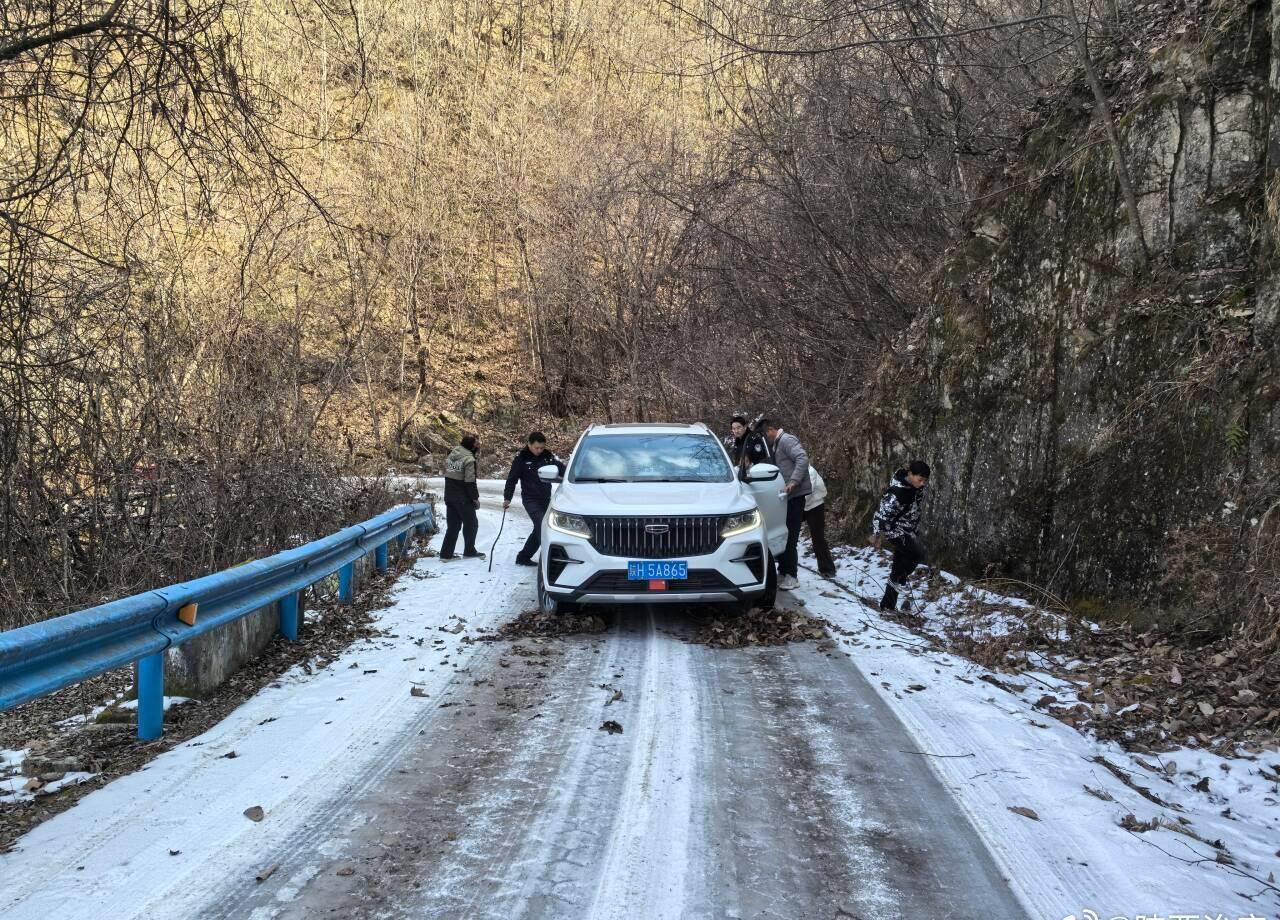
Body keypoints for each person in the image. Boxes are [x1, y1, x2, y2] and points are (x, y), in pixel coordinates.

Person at [870, 460, 931, 610]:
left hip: (907, 529)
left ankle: (887, 606)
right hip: (894, 530)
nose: (923, 484)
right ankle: (898, 580)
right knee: (916, 554)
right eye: (920, 480)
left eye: (925, 481)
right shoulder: (897, 493)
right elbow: (881, 513)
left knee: (899, 564)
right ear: (910, 474)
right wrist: (876, 535)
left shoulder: (914, 486)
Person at [761, 419, 811, 591]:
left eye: (764, 435)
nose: (765, 439)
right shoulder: (777, 444)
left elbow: (802, 458)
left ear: (770, 430)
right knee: (783, 534)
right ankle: (783, 571)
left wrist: (793, 482)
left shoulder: (787, 440)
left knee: (790, 536)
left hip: (795, 496)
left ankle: (792, 575)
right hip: (785, 498)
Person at [503, 431, 565, 566]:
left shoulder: (547, 457)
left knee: (541, 527)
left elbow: (562, 470)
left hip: (546, 498)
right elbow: (512, 479)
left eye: (542, 448)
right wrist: (507, 498)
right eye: (536, 448)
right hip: (530, 499)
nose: (539, 450)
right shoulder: (521, 459)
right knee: (542, 525)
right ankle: (551, 560)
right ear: (529, 444)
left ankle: (523, 557)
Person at [440, 434, 484, 560]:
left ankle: (446, 554)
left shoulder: (453, 454)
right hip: (463, 498)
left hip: (449, 495)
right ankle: (469, 550)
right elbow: (470, 481)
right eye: (476, 444)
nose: (478, 446)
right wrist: (475, 498)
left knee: (453, 526)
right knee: (472, 524)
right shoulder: (469, 459)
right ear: (471, 446)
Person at [804, 465, 837, 578]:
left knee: (818, 538)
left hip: (815, 505)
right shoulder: (790, 471)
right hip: (800, 505)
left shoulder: (810, 471)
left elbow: (808, 492)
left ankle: (827, 568)